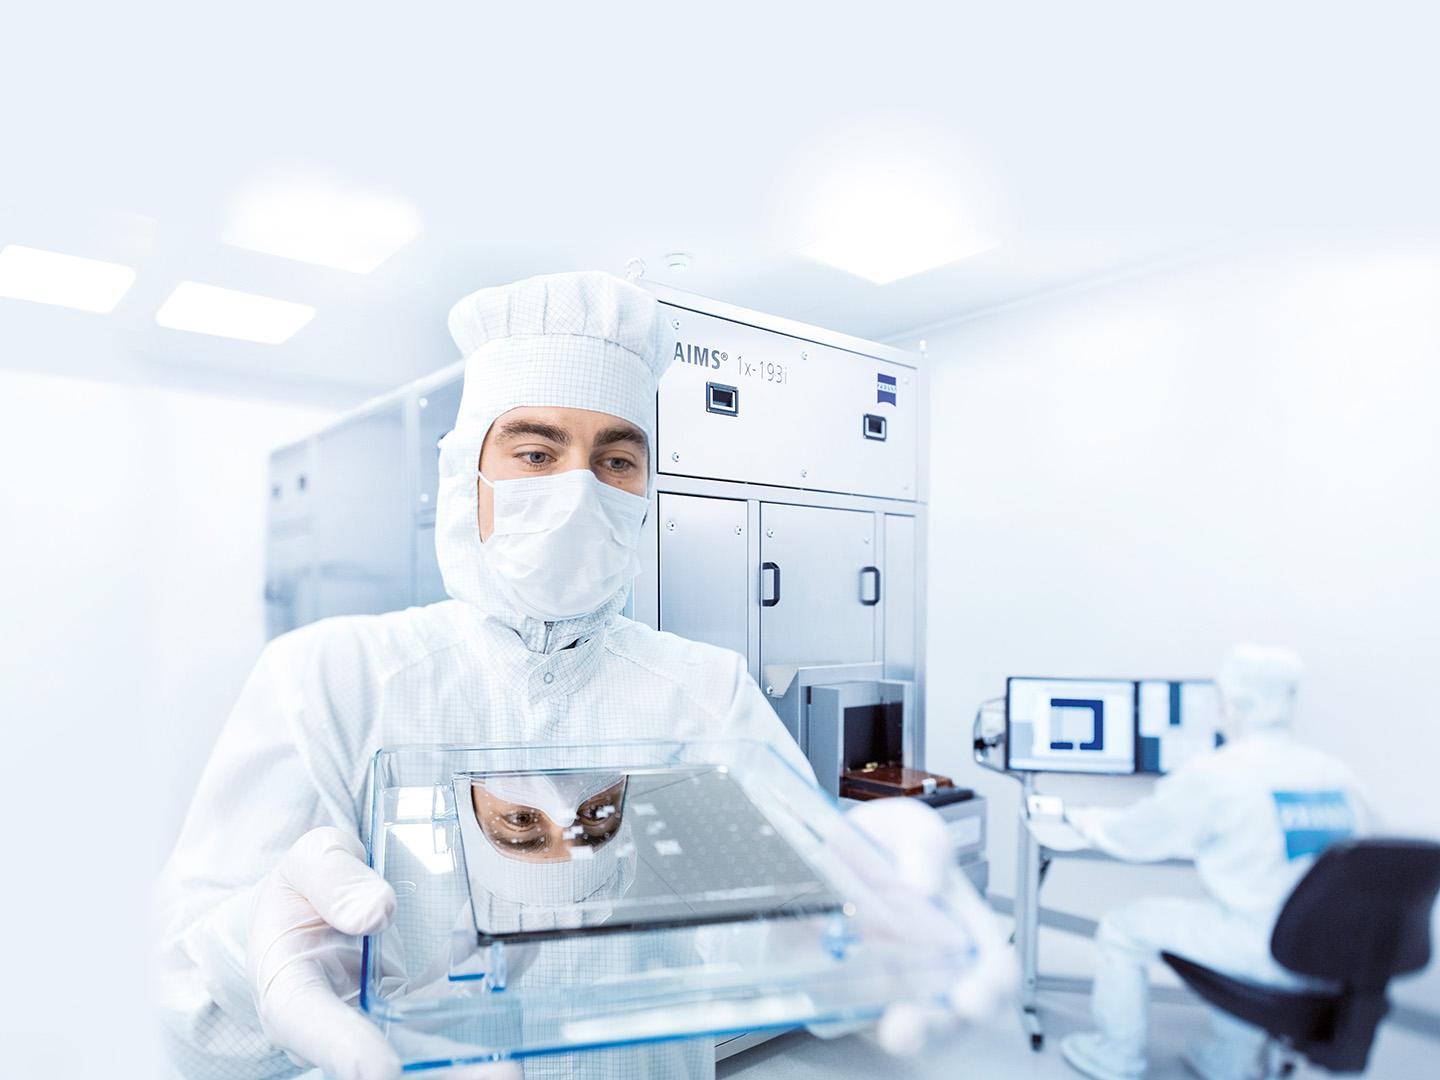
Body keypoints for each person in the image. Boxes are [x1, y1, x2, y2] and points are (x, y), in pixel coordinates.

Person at [154, 271, 1007, 1080]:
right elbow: (193, 1016)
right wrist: (252, 954)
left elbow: (778, 939)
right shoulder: (332, 679)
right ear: (466, 477)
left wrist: (848, 917)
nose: (577, 491)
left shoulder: (704, 690)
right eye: (535, 452)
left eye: (615, 460)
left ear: (644, 489)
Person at [1058, 645, 1375, 1080]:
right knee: (1229, 913)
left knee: (1122, 926)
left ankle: (1117, 1057)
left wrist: (1086, 820)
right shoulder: (1336, 774)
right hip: (1333, 957)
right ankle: (1231, 1059)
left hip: (1261, 950)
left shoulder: (1218, 772)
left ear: (1232, 704)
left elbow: (1133, 838)